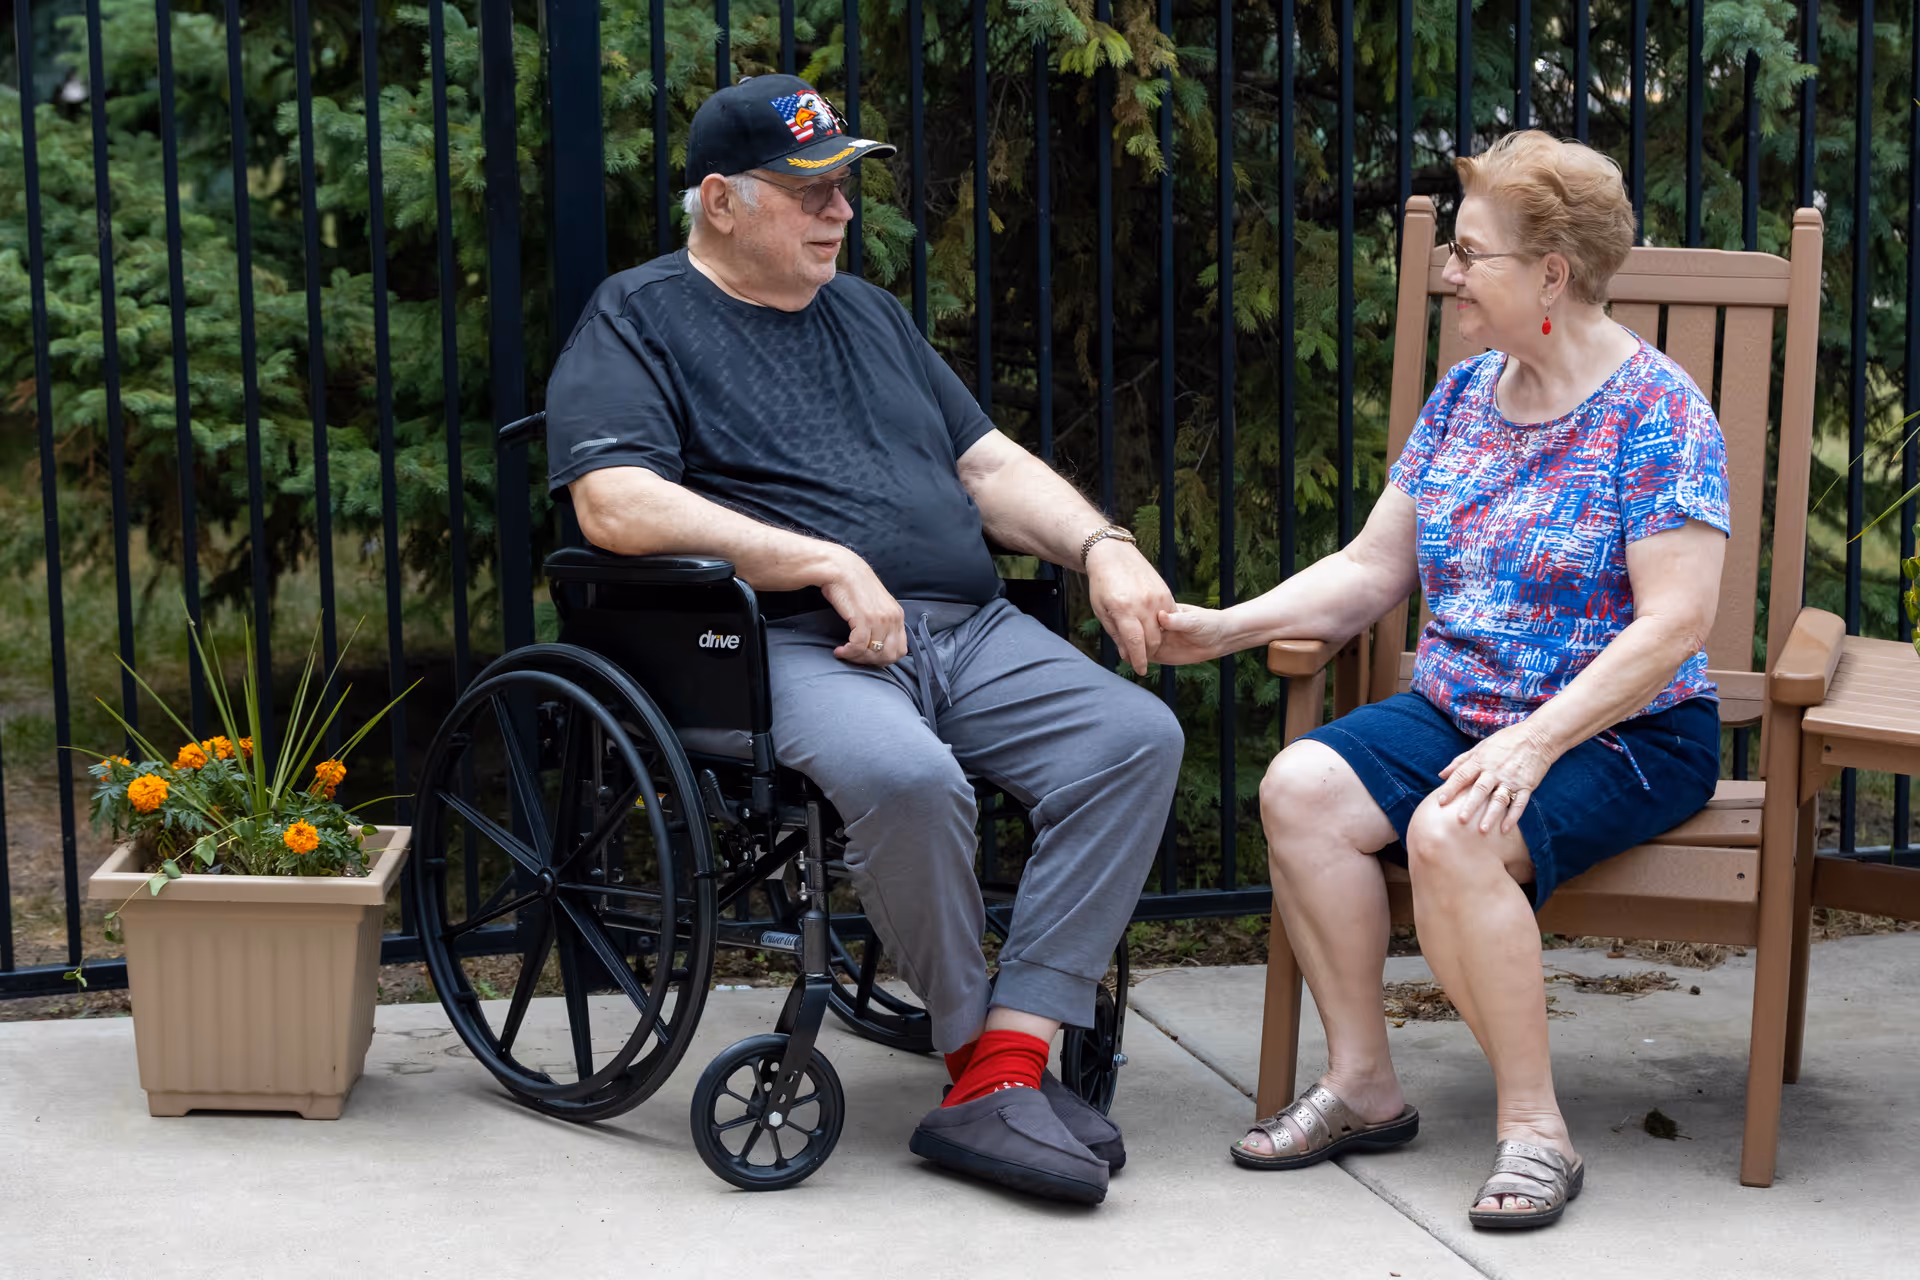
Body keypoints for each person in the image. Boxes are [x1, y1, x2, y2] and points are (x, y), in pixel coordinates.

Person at [541, 75, 1184, 1207]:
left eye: (844, 185)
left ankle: (1005, 1058)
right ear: (720, 203)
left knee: (1133, 736)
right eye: (809, 191)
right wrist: (822, 560)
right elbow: (614, 502)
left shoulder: (871, 316)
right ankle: (981, 1066)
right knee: (904, 774)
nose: (841, 210)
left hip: (965, 628)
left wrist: (1102, 544)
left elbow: (985, 466)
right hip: (780, 639)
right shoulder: (639, 316)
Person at [1156, 131, 1728, 1230]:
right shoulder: (1468, 395)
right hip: (1462, 706)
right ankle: (1365, 1082)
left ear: (1551, 273)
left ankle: (1535, 1129)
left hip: (1625, 728)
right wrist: (1222, 627)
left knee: (1452, 829)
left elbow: (1676, 624)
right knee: (1301, 789)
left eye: (1471, 253)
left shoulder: (1658, 410)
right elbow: (1375, 567)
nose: (1447, 273)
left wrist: (1533, 742)